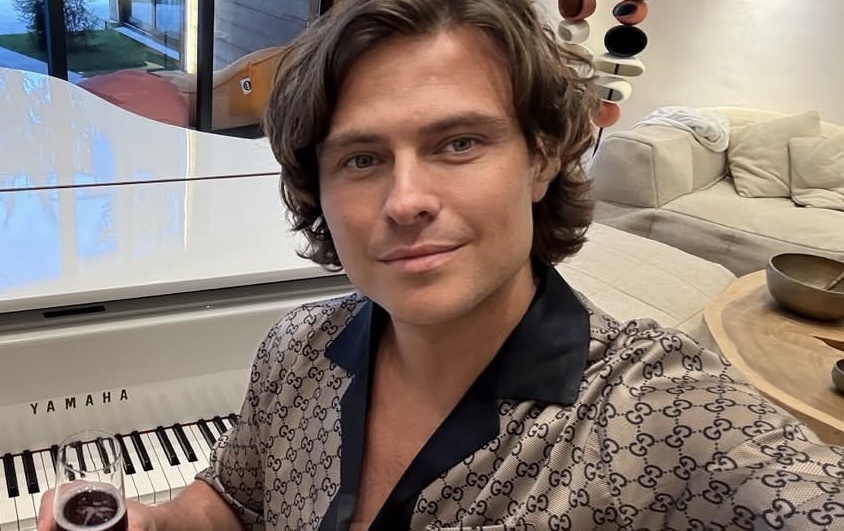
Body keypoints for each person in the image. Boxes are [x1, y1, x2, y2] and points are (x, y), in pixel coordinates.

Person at [39, 0, 844, 529]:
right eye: (361, 159)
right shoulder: (296, 351)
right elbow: (233, 497)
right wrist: (158, 521)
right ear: (317, 191)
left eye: (458, 142)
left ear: (541, 157)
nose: (406, 200)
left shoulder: (662, 410)